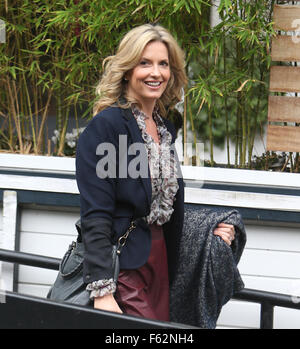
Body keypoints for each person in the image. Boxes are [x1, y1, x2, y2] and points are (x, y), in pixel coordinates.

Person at [75, 23, 236, 321]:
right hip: (123, 269)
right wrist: (103, 292)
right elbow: (96, 214)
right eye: (144, 63)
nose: (156, 73)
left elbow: (160, 204)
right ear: (126, 69)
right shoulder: (108, 126)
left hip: (159, 263)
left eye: (163, 64)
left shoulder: (164, 128)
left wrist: (208, 230)